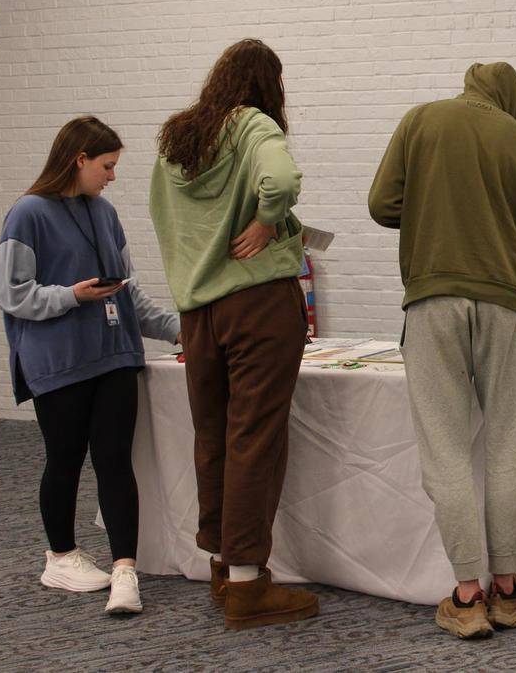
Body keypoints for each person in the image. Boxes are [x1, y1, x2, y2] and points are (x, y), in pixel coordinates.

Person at [368, 61, 516, 639]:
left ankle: (466, 596)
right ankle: (508, 589)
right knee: (510, 446)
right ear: (512, 99)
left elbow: (381, 205)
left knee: (446, 449)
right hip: (508, 307)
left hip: (432, 302)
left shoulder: (421, 121)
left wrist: (436, 207)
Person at [149, 38, 318, 631]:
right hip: (257, 305)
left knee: (213, 434)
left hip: (199, 311)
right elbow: (281, 178)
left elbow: (163, 215)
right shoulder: (253, 125)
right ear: (266, 85)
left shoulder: (179, 138)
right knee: (255, 438)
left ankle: (223, 563)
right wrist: (267, 223)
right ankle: (248, 585)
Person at [0, 116, 181, 616]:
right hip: (60, 363)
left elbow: (128, 292)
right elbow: (11, 294)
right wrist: (72, 296)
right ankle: (60, 556)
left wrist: (183, 331)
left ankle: (125, 570)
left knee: (116, 461)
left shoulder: (105, 213)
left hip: (116, 357)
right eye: (107, 166)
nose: (112, 176)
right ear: (79, 160)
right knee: (65, 459)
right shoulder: (28, 214)